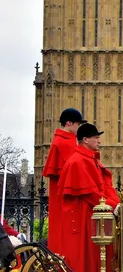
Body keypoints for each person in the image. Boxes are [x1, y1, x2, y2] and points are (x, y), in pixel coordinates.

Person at [58, 123, 120, 272]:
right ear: (85, 139)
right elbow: (91, 193)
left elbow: (103, 188)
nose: (99, 141)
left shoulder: (90, 159)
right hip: (84, 218)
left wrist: (116, 202)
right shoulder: (78, 161)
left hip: (94, 216)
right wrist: (114, 206)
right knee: (87, 259)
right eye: (96, 138)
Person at [42, 108, 85, 255]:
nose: (78, 128)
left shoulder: (66, 140)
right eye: (77, 125)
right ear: (68, 123)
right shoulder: (64, 142)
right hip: (65, 196)